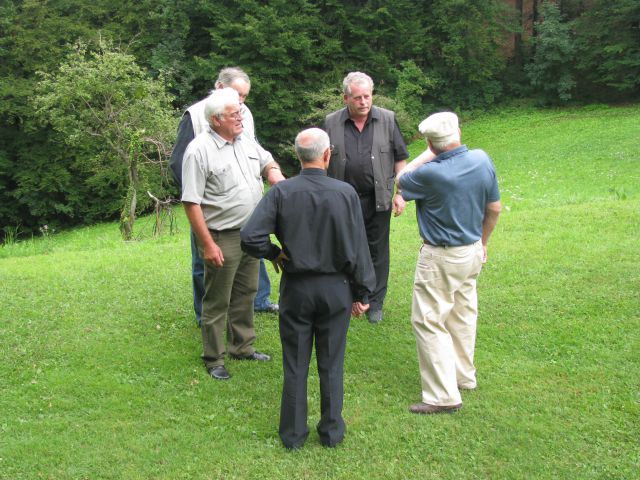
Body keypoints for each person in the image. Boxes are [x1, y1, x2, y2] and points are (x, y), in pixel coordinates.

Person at [240, 128, 375, 449]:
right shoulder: (345, 193)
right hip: (336, 290)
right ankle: (331, 433)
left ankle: (293, 435)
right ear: (327, 155)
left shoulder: (282, 192)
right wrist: (362, 294)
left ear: (298, 157)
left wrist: (275, 254)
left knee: (296, 364)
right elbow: (358, 248)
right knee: (331, 363)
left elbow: (249, 236)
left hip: (297, 289)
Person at [396, 112, 501, 414]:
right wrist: (483, 243)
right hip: (471, 251)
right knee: (463, 315)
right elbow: (494, 208)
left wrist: (428, 153)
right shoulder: (481, 159)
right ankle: (463, 376)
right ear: (459, 131)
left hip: (441, 256)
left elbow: (401, 179)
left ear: (430, 142)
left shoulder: (431, 173)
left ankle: (443, 395)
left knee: (429, 320)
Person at [181, 87, 285, 381]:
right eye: (234, 114)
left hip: (251, 234)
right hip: (222, 236)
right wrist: (208, 244)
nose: (241, 117)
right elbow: (191, 202)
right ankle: (214, 358)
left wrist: (274, 172)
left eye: (240, 112)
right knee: (217, 300)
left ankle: (242, 347)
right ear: (215, 120)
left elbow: (266, 159)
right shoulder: (199, 151)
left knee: (246, 292)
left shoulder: (244, 140)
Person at [169, 67, 278, 327]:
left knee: (251, 256)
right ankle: (203, 315)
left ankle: (258, 301)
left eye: (245, 97)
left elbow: (253, 148)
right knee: (205, 263)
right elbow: (179, 163)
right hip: (211, 214)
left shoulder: (243, 113)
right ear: (219, 88)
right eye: (237, 95)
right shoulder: (195, 116)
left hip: (244, 214)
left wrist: (270, 173)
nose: (241, 102)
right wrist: (203, 197)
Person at [323, 71, 409, 324]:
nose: (363, 102)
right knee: (345, 249)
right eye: (357, 97)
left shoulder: (387, 120)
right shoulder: (330, 123)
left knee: (377, 252)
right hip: (343, 202)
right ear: (345, 98)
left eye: (367, 96)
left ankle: (375, 302)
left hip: (378, 199)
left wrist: (401, 193)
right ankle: (350, 298)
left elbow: (400, 159)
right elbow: (322, 161)